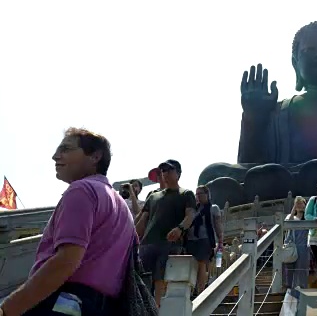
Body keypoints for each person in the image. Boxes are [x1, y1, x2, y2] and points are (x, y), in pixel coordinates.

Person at [0, 128, 135, 316]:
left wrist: (7, 309)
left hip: (66, 302)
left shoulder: (82, 190)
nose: (55, 156)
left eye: (66, 149)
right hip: (103, 307)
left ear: (95, 157)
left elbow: (66, 260)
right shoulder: (121, 206)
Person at [135, 159, 196, 307]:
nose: (165, 174)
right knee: (142, 280)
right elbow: (143, 219)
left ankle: (157, 310)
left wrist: (180, 228)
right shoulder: (153, 196)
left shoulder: (186, 194)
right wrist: (131, 237)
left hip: (169, 243)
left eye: (169, 170)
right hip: (147, 243)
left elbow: (190, 215)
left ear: (178, 173)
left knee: (160, 280)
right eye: (163, 171)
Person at [185, 185, 224, 296]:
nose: (198, 196)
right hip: (191, 239)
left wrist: (220, 240)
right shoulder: (193, 209)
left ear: (207, 194)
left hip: (205, 239)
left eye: (200, 194)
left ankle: (200, 290)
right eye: (196, 194)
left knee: (202, 263)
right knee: (192, 265)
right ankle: (193, 289)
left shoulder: (213, 208)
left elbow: (218, 225)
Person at [284, 196, 310, 289]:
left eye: (301, 203)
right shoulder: (292, 217)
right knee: (290, 268)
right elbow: (287, 223)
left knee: (302, 268)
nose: (299, 205)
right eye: (297, 203)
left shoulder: (307, 218)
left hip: (303, 246)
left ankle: (303, 287)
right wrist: (293, 209)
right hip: (292, 246)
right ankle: (290, 287)